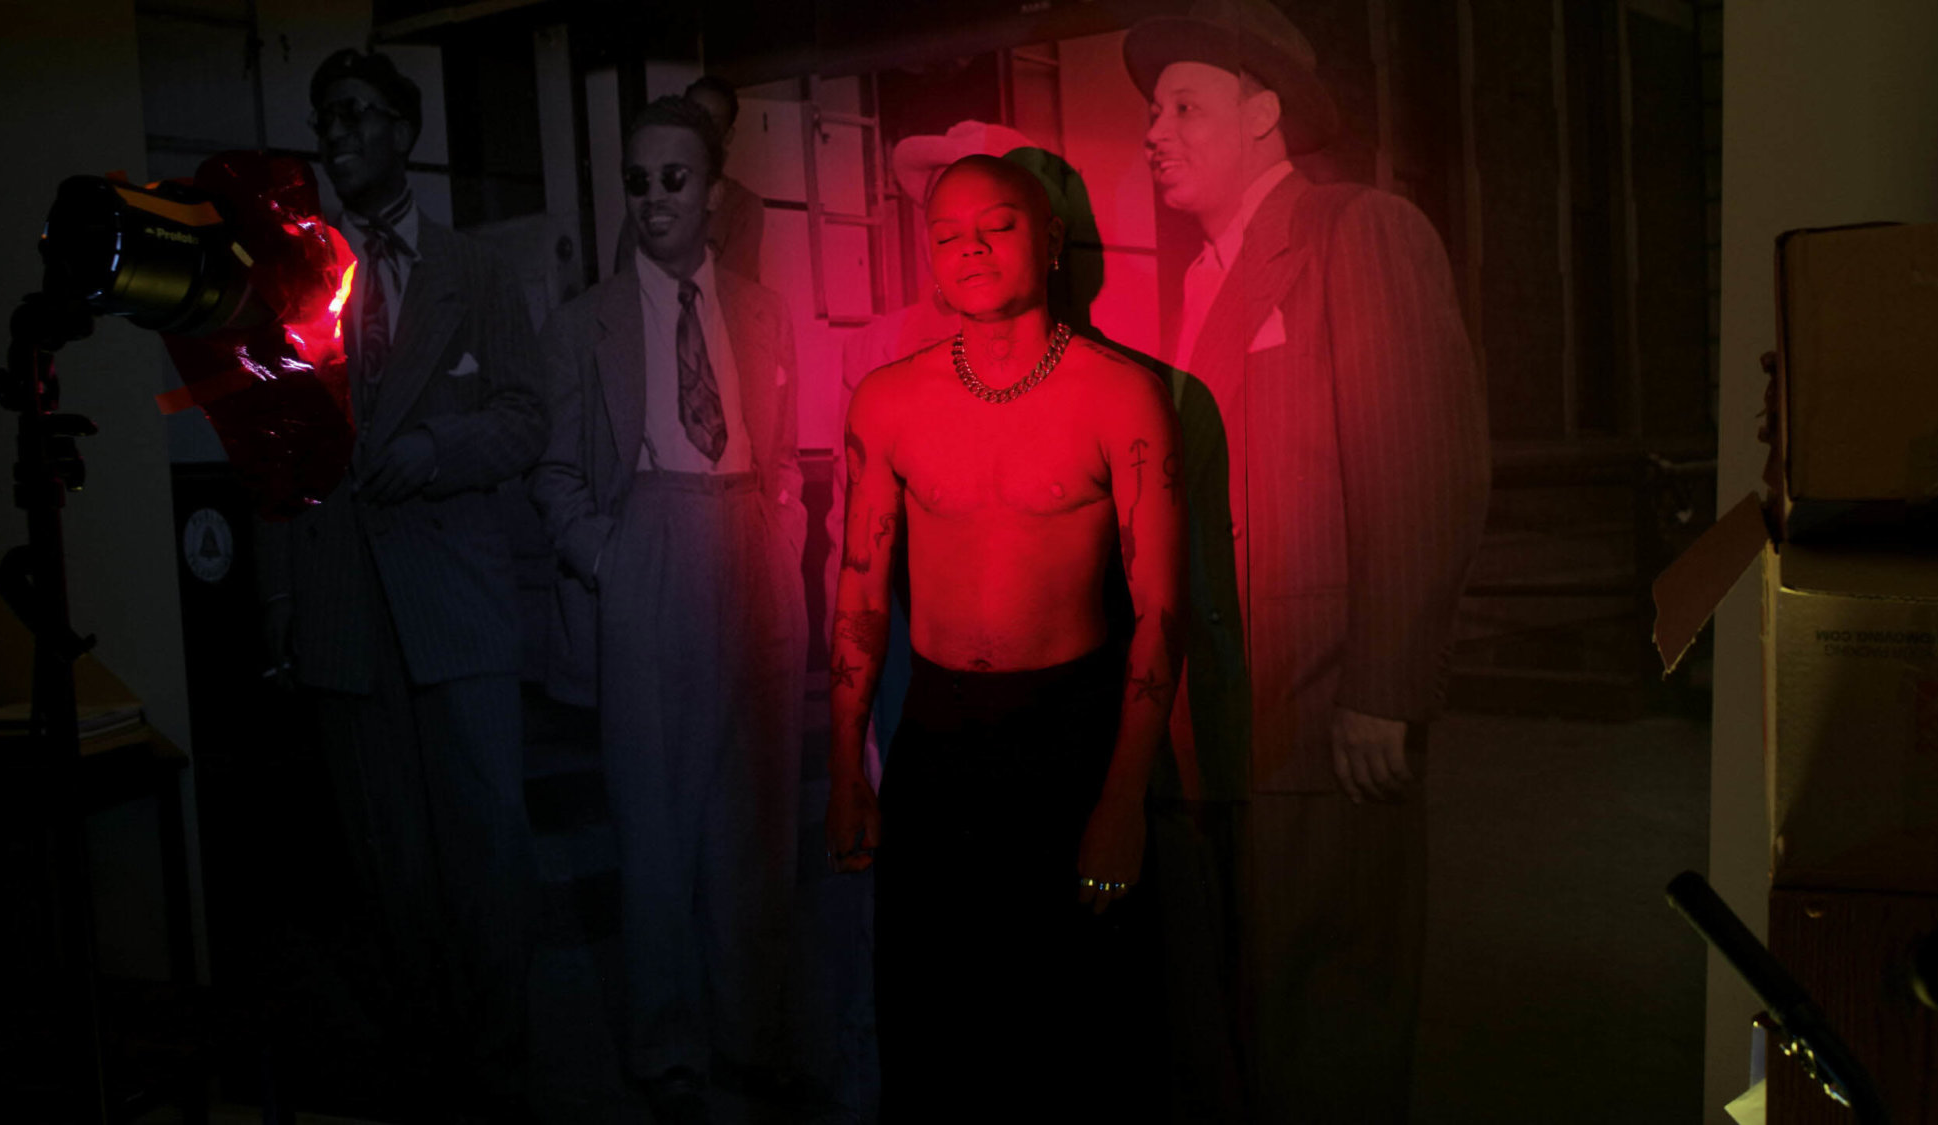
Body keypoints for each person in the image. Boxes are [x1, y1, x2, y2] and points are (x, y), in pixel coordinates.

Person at [1123, 2, 1493, 1121]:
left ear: (1264, 113)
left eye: (1183, 105)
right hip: (1215, 716)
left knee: (1328, 1002)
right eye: (1152, 110)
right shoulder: (1197, 277)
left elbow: (1419, 467)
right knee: (1237, 989)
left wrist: (1385, 687)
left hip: (1325, 703)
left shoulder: (1357, 231)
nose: (1154, 131)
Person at [824, 154, 1184, 1122]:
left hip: (1071, 738)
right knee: (935, 1027)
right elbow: (859, 588)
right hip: (937, 739)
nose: (970, 249)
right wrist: (846, 766)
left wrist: (1122, 800)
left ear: (1051, 238)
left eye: (997, 226)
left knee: (1080, 1036)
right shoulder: (888, 400)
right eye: (947, 235)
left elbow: (1161, 609)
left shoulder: (1121, 396)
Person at [258, 47, 546, 1119]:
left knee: (489, 858)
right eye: (325, 118)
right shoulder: (296, 277)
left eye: (357, 115)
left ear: (405, 131)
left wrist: (436, 451)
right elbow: (273, 451)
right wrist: (282, 609)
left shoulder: (477, 273)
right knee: (389, 874)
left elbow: (525, 417)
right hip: (344, 617)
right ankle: (424, 1078)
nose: (336, 135)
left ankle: (501, 1076)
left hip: (457, 612)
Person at [530, 95, 807, 1123]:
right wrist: (609, 557)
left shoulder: (763, 310)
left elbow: (784, 444)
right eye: (637, 181)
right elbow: (554, 471)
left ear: (714, 193)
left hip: (751, 539)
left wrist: (783, 531)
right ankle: (668, 1048)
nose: (654, 198)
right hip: (647, 542)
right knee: (654, 820)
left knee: (759, 814)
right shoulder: (583, 324)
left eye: (674, 179)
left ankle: (754, 1034)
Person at [613, 76, 766, 283]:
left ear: (727, 135)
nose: (697, 129)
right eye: (689, 117)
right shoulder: (648, 201)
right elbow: (626, 281)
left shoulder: (742, 206)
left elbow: (733, 287)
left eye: (711, 122)